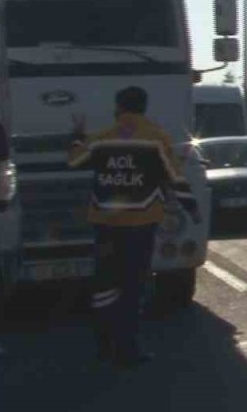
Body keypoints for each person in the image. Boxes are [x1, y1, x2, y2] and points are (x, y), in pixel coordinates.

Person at [68, 86, 195, 366]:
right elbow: (175, 178)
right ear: (143, 107)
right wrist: (192, 210)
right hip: (140, 225)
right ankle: (127, 348)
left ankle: (103, 344)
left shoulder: (102, 138)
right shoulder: (156, 139)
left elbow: (74, 161)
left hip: (105, 225)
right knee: (133, 286)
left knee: (105, 285)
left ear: (119, 108)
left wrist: (77, 136)